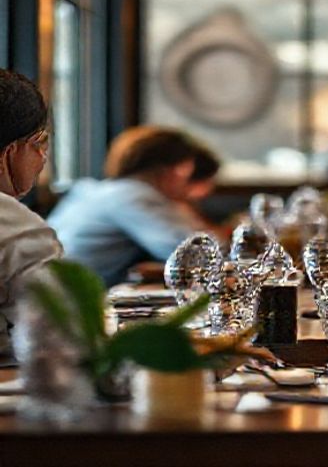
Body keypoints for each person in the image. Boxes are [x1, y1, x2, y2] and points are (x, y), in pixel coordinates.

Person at [48, 125, 221, 286]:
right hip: (69, 303)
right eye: (186, 169)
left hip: (56, 293)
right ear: (173, 170)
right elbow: (196, 254)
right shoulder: (135, 196)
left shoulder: (99, 190)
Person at [0, 69, 63, 353]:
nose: (43, 157)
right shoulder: (14, 226)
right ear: (11, 151)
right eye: (40, 142)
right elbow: (60, 339)